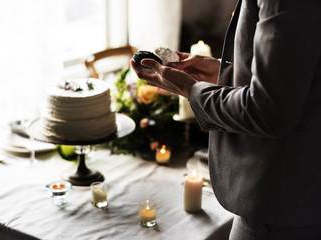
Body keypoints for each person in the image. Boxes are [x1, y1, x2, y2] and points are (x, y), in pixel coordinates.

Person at [131, 0, 321, 239]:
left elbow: (269, 112)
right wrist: (225, 73)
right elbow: (298, 76)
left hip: (281, 204)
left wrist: (192, 91)